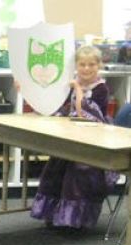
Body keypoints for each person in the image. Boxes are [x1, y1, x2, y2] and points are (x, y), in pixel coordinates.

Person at [30, 45, 115, 231]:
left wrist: (77, 89)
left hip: (91, 142)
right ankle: (53, 215)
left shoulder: (101, 89)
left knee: (77, 176)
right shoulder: (70, 85)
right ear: (76, 65)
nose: (86, 68)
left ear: (99, 65)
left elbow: (84, 113)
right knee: (54, 171)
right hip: (69, 137)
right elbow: (61, 106)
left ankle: (75, 219)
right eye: (82, 64)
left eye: (91, 64)